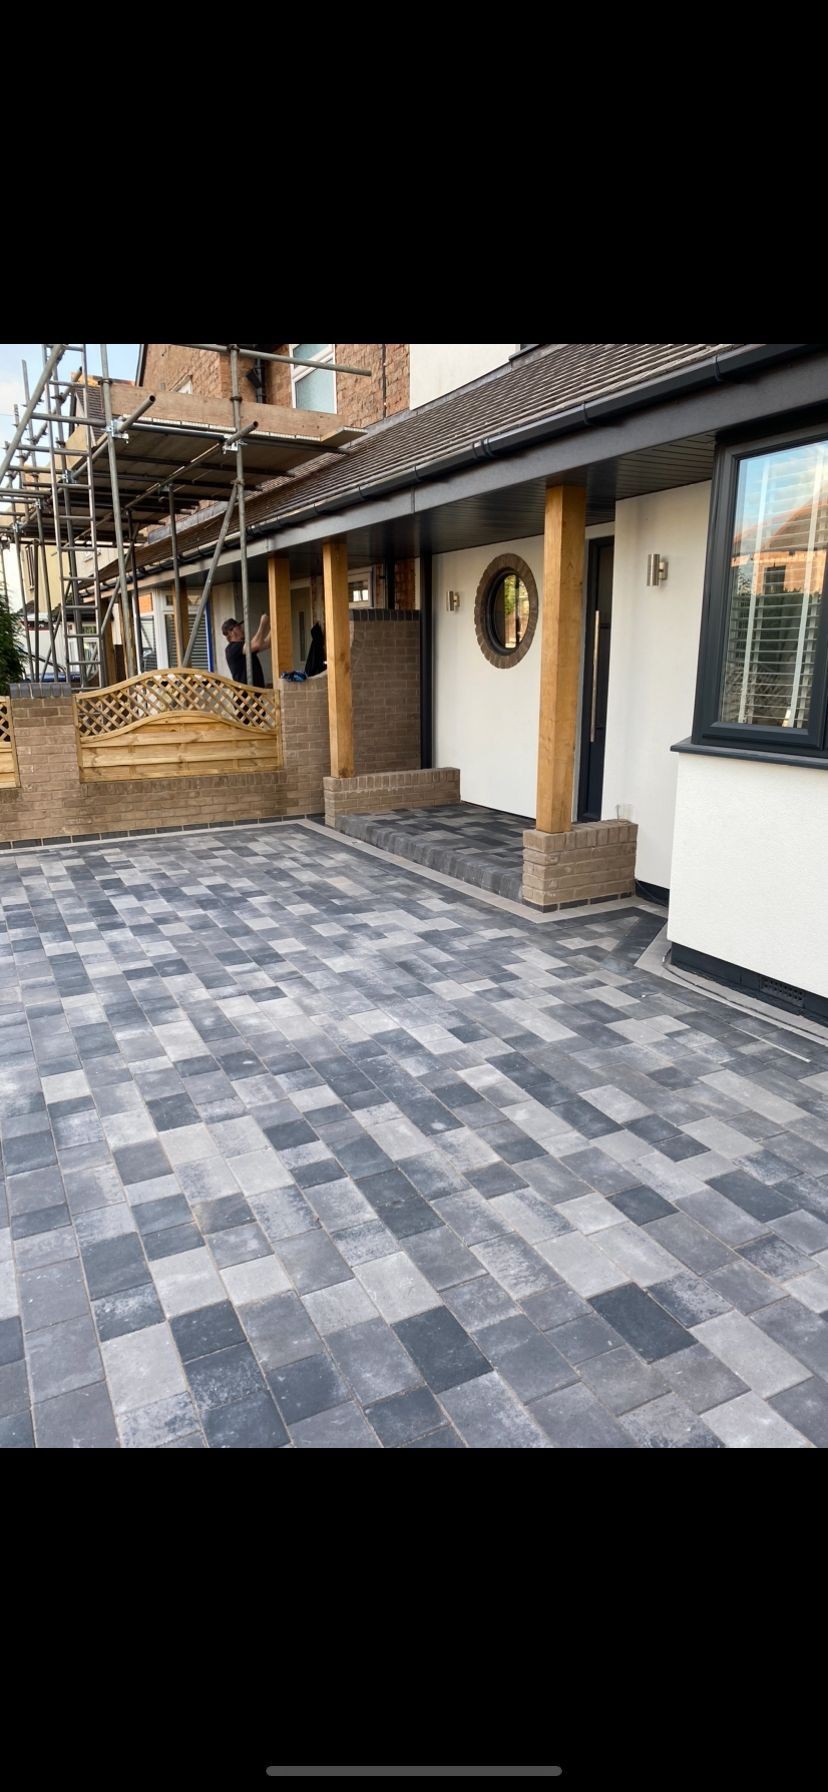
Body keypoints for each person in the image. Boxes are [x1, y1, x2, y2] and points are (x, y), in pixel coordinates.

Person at [221, 615, 270, 687]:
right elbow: (256, 644)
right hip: (245, 695)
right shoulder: (232, 649)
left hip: (255, 694)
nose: (242, 629)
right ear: (231, 632)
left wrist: (274, 627)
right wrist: (262, 624)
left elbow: (267, 644)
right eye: (238, 627)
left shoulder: (244, 647)